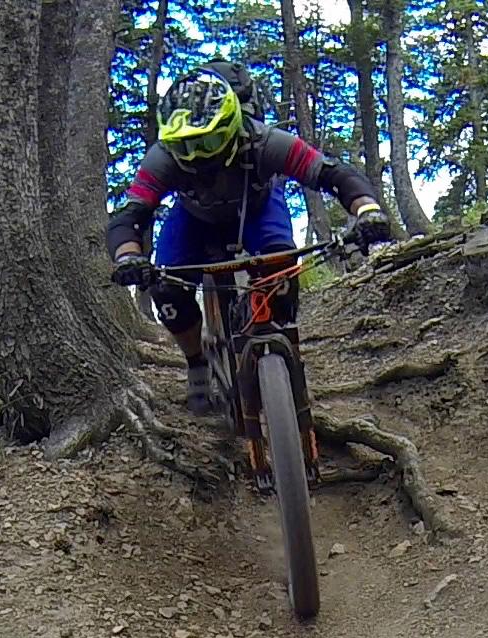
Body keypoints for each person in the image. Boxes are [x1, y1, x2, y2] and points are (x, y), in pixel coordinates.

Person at [106, 64, 393, 412]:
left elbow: (331, 174)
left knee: (280, 270)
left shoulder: (265, 142)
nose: (197, 155)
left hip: (256, 209)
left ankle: (280, 353)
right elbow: (131, 216)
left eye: (208, 141)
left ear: (231, 127)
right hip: (193, 219)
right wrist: (128, 257)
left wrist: (368, 211)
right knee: (167, 291)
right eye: (185, 145)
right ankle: (197, 362)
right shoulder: (162, 158)